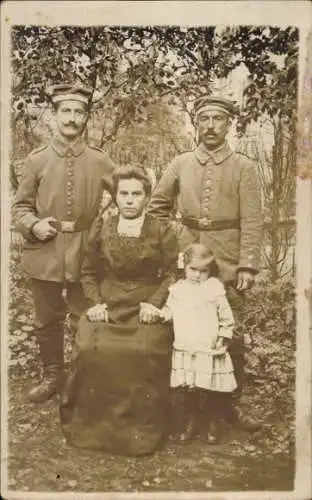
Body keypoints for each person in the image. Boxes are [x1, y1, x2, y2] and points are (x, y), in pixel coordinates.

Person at [148, 95, 263, 430]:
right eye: (204, 119)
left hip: (227, 261)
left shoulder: (245, 167)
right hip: (187, 260)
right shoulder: (180, 164)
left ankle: (229, 405)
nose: (210, 126)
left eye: (217, 119)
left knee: (231, 336)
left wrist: (247, 265)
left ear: (229, 124)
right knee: (183, 333)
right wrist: (177, 241)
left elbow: (253, 220)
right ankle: (187, 407)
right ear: (195, 124)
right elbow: (157, 207)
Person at [59, 165, 178, 456]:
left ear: (147, 197)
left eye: (136, 194)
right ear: (115, 196)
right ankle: (93, 426)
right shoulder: (102, 226)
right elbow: (88, 272)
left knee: (144, 348)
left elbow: (174, 273)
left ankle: (141, 430)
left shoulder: (162, 229)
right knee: (90, 345)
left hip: (147, 303)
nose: (129, 200)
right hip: (108, 301)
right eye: (123, 193)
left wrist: (157, 304)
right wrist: (95, 304)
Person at [13, 84, 116, 403]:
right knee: (46, 318)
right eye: (66, 111)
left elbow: (129, 195)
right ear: (55, 116)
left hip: (86, 252)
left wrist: (107, 229)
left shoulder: (100, 160)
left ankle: (83, 376)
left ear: (86, 118)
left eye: (79, 112)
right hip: (45, 251)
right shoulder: (36, 160)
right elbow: (20, 207)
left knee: (83, 316)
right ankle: (52, 376)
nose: (72, 118)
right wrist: (33, 224)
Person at [160, 243, 237, 445]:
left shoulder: (214, 289)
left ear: (210, 271)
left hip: (208, 348)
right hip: (187, 346)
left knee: (210, 388)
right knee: (189, 388)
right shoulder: (177, 290)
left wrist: (224, 334)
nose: (197, 275)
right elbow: (169, 311)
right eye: (193, 270)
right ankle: (190, 422)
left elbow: (226, 318)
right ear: (184, 267)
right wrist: (161, 315)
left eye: (203, 271)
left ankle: (212, 422)